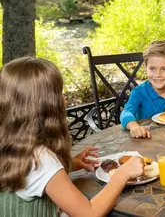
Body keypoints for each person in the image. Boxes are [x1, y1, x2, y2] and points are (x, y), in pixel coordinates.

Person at [0, 57, 144, 217]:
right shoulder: (41, 159)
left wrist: (67, 165)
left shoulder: (10, 143)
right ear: (45, 106)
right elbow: (90, 213)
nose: (64, 98)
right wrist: (123, 173)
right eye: (58, 93)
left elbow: (30, 176)